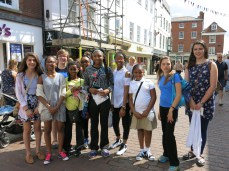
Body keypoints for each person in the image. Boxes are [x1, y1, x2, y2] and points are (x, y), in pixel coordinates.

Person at [183, 40, 218, 167]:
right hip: (191, 102)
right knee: (193, 127)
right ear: (192, 51)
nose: (198, 51)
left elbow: (213, 86)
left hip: (205, 102)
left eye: (200, 49)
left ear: (205, 50)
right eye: (195, 49)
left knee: (202, 128)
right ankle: (192, 151)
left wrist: (201, 103)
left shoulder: (211, 64)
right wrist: (191, 101)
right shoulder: (189, 65)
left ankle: (200, 154)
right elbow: (185, 85)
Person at [37, 56, 69, 165]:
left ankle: (60, 151)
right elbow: (39, 94)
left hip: (59, 106)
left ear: (56, 63)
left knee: (60, 129)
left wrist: (57, 106)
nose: (50, 64)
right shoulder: (42, 77)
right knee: (47, 130)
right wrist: (49, 106)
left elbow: (64, 92)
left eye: (52, 62)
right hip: (47, 107)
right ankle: (49, 153)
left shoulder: (61, 77)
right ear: (45, 64)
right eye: (48, 62)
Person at [15, 52, 44, 164]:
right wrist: (26, 108)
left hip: (37, 103)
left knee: (37, 128)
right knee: (27, 130)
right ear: (25, 62)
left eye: (34, 60)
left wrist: (39, 106)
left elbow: (42, 91)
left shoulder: (39, 74)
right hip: (25, 105)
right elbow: (18, 93)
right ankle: (28, 153)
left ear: (36, 62)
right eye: (29, 60)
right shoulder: (20, 75)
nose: (31, 62)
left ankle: (37, 150)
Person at [83, 49, 113, 158]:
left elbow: (112, 84)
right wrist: (89, 89)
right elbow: (84, 84)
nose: (97, 58)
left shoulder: (107, 69)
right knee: (94, 124)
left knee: (104, 123)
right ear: (92, 57)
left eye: (99, 56)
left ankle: (104, 146)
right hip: (93, 100)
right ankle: (94, 147)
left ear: (103, 57)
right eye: (95, 56)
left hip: (104, 100)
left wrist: (107, 90)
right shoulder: (88, 69)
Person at [157, 56, 181, 171]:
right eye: (163, 64)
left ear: (171, 64)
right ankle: (166, 154)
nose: (166, 66)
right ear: (160, 65)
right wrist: (159, 110)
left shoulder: (175, 76)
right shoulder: (161, 76)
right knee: (164, 133)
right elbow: (162, 94)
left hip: (172, 109)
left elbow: (179, 95)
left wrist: (171, 110)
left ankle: (175, 163)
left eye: (168, 64)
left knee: (169, 135)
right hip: (163, 108)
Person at [129, 64, 157, 161]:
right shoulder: (131, 83)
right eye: (136, 72)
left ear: (143, 72)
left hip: (147, 113)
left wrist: (147, 110)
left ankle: (147, 150)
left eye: (140, 72)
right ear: (133, 73)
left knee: (148, 131)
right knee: (140, 130)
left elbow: (154, 97)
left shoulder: (148, 82)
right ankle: (141, 150)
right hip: (137, 112)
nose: (138, 74)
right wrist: (134, 111)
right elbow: (130, 99)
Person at [110, 52, 131, 155]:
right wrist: (111, 102)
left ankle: (125, 143)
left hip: (124, 103)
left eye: (121, 58)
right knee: (114, 122)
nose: (119, 60)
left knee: (125, 124)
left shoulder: (126, 73)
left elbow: (126, 90)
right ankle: (118, 139)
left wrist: (124, 106)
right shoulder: (114, 72)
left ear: (124, 60)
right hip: (114, 102)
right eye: (117, 58)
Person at [63, 61, 84, 156]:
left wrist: (81, 90)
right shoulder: (65, 80)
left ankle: (79, 146)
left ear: (79, 69)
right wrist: (71, 91)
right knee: (67, 129)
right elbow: (63, 95)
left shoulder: (82, 81)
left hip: (79, 109)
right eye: (71, 69)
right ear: (68, 70)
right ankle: (67, 147)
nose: (73, 71)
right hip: (67, 108)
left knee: (79, 129)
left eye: (75, 69)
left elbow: (85, 95)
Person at [52, 49, 69, 149]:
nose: (63, 58)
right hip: (56, 97)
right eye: (61, 56)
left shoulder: (69, 69)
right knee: (55, 120)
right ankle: (54, 139)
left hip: (68, 98)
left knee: (65, 120)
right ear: (57, 58)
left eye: (65, 56)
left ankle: (64, 139)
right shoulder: (54, 69)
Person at [80, 55, 91, 149]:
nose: (84, 63)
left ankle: (91, 139)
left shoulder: (93, 73)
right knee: (84, 121)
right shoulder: (79, 73)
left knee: (94, 122)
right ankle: (85, 139)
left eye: (86, 61)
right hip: (82, 102)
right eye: (82, 62)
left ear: (90, 62)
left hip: (92, 100)